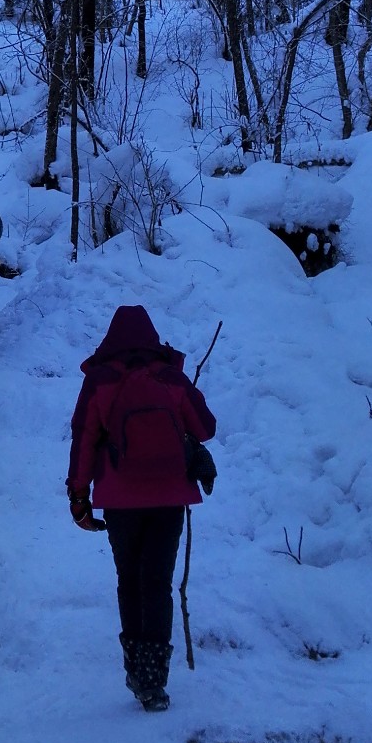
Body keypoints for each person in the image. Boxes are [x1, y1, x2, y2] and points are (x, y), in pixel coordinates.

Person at [66, 306, 216, 714]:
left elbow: (83, 440)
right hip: (169, 498)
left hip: (119, 500)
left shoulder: (99, 380)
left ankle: (136, 670)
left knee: (129, 581)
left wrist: (79, 498)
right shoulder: (168, 376)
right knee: (158, 583)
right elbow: (206, 427)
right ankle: (155, 681)